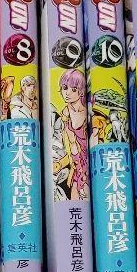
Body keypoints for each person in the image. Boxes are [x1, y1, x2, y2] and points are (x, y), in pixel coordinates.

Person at [50, 67, 89, 199]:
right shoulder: (65, 114)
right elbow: (70, 144)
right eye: (64, 88)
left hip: (88, 162)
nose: (67, 93)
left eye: (73, 89)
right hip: (75, 164)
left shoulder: (87, 112)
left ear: (81, 92)